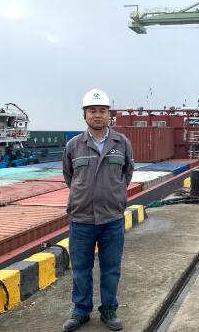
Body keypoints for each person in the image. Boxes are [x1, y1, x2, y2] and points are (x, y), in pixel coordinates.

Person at [62, 89, 134, 332]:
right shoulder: (74, 145)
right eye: (92, 111)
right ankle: (81, 311)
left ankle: (109, 309)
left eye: (102, 110)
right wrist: (85, 195)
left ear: (109, 114)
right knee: (81, 269)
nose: (97, 115)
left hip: (112, 218)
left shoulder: (122, 143)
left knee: (111, 268)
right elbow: (69, 176)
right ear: (84, 115)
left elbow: (127, 174)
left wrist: (114, 195)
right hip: (81, 218)